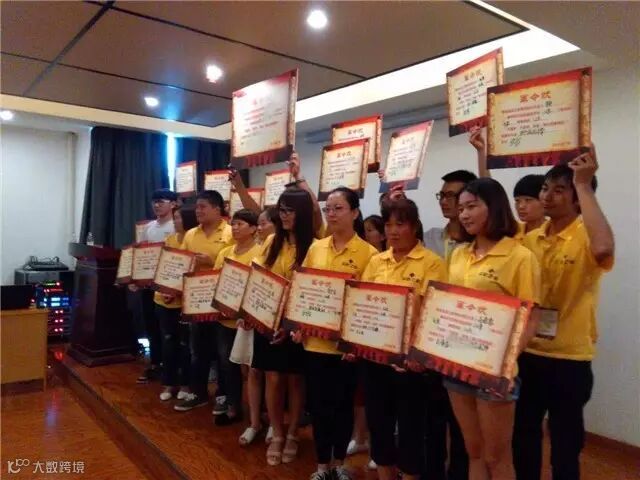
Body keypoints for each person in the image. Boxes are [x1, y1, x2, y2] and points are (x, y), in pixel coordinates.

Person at [514, 147, 614, 480]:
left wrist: (583, 184)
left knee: (565, 444)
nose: (548, 195)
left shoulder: (587, 235)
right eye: (545, 188)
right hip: (528, 352)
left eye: (560, 190)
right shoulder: (530, 239)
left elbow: (604, 248)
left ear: (577, 199)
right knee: (524, 435)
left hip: (569, 359)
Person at [442, 177, 540, 480]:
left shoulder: (520, 256)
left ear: (494, 207)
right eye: (461, 208)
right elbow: (445, 307)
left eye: (472, 206)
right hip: (456, 364)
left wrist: (506, 363)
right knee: (473, 451)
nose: (464, 214)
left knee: (497, 457)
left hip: (494, 371)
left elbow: (531, 318)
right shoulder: (459, 254)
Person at [291, 187, 377, 480]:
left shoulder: (370, 254)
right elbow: (304, 290)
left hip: (345, 349)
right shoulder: (316, 248)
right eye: (328, 208)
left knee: (342, 406)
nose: (331, 214)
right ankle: (321, 466)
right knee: (318, 407)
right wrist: (299, 325)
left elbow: (369, 305)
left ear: (355, 212)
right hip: (315, 344)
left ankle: (339, 463)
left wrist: (356, 344)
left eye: (339, 208)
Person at [361, 198, 446, 480]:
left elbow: (435, 315)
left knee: (412, 431)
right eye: (388, 225)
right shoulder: (376, 261)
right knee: (379, 426)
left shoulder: (432, 263)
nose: (393, 231)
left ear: (415, 226)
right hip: (376, 360)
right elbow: (364, 305)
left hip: (411, 365)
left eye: (401, 224)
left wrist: (416, 355)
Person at [253, 187, 315, 466]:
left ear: (303, 213)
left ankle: (292, 434)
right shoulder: (271, 241)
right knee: (273, 378)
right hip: (269, 320)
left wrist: (290, 324)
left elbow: (311, 291)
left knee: (296, 379)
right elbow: (260, 279)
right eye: (281, 210)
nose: (285, 216)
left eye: (290, 210)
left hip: (297, 323)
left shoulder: (314, 245)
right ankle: (277, 433)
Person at [174, 190, 234, 412]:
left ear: (217, 209)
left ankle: (224, 395)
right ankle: (198, 392)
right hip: (197, 301)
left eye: (202, 207)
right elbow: (181, 264)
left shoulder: (230, 232)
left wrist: (211, 261)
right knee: (198, 350)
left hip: (223, 301)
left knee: (224, 353)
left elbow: (237, 265)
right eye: (196, 207)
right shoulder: (191, 234)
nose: (197, 211)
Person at [212, 209, 263, 426]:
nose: (234, 228)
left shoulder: (260, 253)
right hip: (225, 319)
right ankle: (234, 406)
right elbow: (215, 281)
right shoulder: (225, 253)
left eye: (240, 224)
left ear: (253, 228)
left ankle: (258, 414)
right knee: (227, 364)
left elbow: (260, 287)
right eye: (233, 224)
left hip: (248, 322)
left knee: (253, 369)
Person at [134, 189, 178, 384]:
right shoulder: (149, 227)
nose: (156, 205)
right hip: (149, 283)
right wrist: (135, 279)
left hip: (168, 284)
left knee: (168, 329)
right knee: (150, 325)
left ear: (173, 204)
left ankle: (171, 369)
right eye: (154, 202)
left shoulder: (176, 226)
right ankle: (155, 363)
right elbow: (141, 254)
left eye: (161, 201)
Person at [157, 205, 198, 401]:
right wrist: (166, 290)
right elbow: (165, 268)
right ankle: (168, 383)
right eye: (174, 218)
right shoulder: (170, 240)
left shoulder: (192, 239)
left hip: (185, 301)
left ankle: (185, 384)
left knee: (186, 345)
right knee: (168, 342)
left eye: (178, 218)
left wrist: (177, 291)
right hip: (165, 300)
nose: (175, 221)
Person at [512, 175, 545, 240]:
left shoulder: (553, 233)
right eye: (517, 200)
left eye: (528, 200)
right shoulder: (512, 232)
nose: (521, 206)